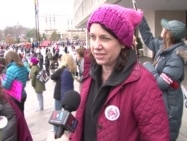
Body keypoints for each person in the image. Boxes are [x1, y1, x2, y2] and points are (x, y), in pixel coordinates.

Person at [70, 4, 170, 141]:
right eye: (93, 37)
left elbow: (157, 136)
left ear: (123, 42)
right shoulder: (89, 73)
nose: (96, 46)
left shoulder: (143, 83)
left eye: (105, 38)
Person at [138, 12, 187, 140]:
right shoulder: (164, 46)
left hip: (169, 109)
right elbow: (148, 38)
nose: (162, 29)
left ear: (169, 34)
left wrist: (149, 67)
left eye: (165, 28)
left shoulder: (176, 57)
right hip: (159, 103)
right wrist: (140, 19)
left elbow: (161, 83)